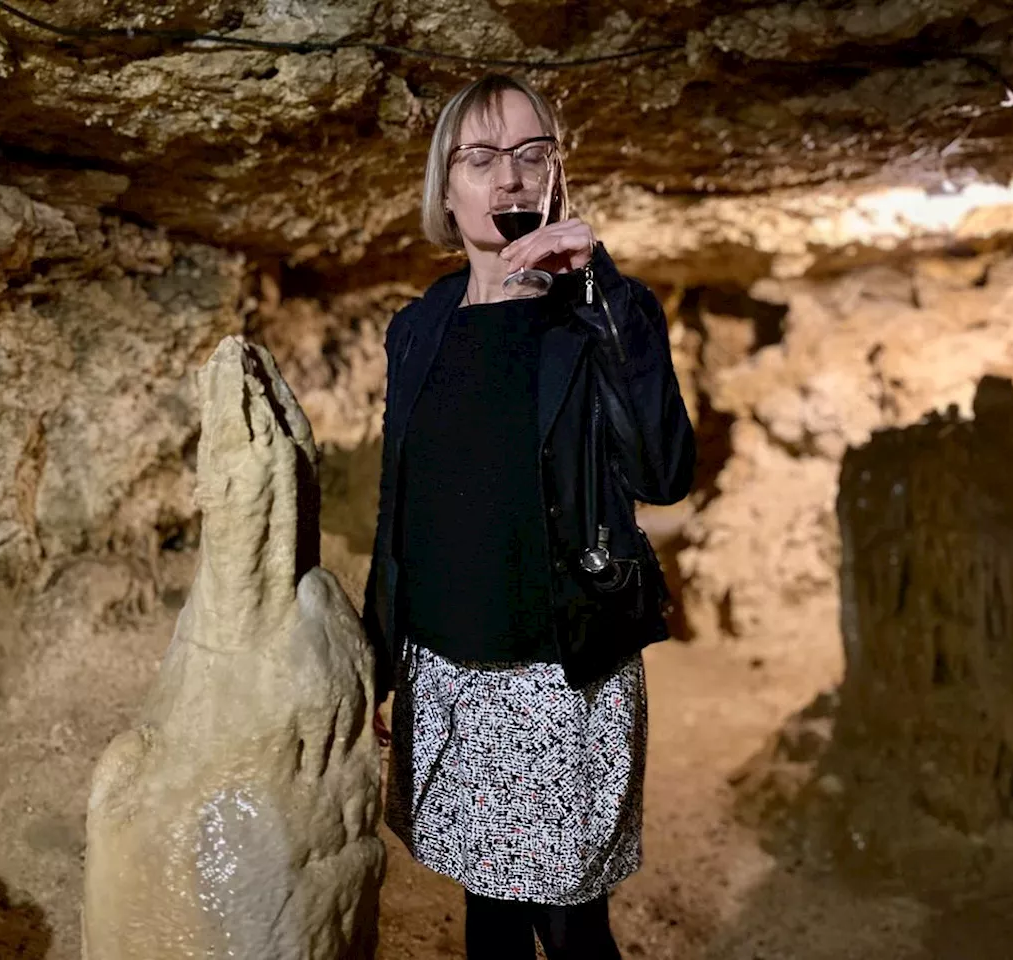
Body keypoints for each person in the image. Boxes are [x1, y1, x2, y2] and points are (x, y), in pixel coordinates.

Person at [362, 74, 696, 960]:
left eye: (531, 153)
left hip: (559, 677)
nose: (508, 178)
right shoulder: (419, 327)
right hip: (448, 669)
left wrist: (603, 296)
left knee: (571, 922)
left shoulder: (597, 318)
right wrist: (380, 657)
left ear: (556, 177)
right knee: (490, 916)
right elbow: (403, 502)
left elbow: (665, 472)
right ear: (446, 187)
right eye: (481, 157)